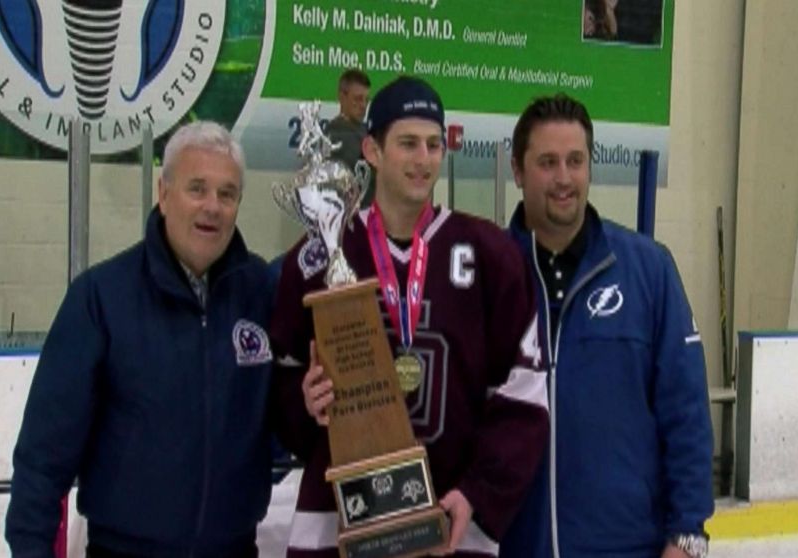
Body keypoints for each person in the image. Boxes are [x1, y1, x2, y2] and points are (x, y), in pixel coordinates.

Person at [271, 76, 550, 557]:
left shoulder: (489, 256)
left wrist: (479, 494)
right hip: (339, 528)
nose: (423, 159)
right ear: (372, 151)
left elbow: (524, 394)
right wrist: (305, 402)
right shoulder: (321, 256)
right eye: (407, 144)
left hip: (450, 525)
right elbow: (279, 379)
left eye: (433, 144)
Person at [6, 121, 275, 558]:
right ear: (163, 194)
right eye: (197, 189)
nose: (213, 207)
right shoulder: (101, 297)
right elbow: (43, 457)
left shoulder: (260, 292)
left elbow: (280, 419)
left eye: (227, 194)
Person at [501, 93, 714, 558]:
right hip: (514, 545)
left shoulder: (648, 269)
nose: (564, 178)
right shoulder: (486, 272)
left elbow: (686, 409)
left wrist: (687, 535)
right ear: (517, 170)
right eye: (547, 162)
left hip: (625, 545)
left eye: (575, 161)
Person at [325, 68, 374, 207]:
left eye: (366, 100)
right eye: (357, 99)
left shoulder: (370, 132)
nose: (363, 105)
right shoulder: (334, 136)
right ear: (342, 97)